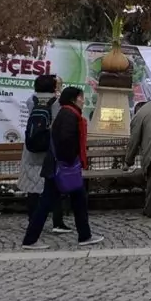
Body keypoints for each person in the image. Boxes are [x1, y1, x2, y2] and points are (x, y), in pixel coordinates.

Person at [22, 87, 103, 249]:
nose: (83, 100)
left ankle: (83, 235)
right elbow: (65, 141)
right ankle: (31, 240)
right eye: (81, 97)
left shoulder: (67, 113)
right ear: (74, 99)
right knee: (51, 203)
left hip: (57, 167)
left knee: (73, 200)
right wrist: (71, 161)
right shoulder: (69, 115)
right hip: (62, 168)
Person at [18, 74, 70, 234]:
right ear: (53, 86)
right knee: (54, 184)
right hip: (50, 146)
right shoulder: (58, 102)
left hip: (32, 147)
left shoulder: (30, 100)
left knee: (32, 186)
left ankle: (33, 220)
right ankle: (58, 222)